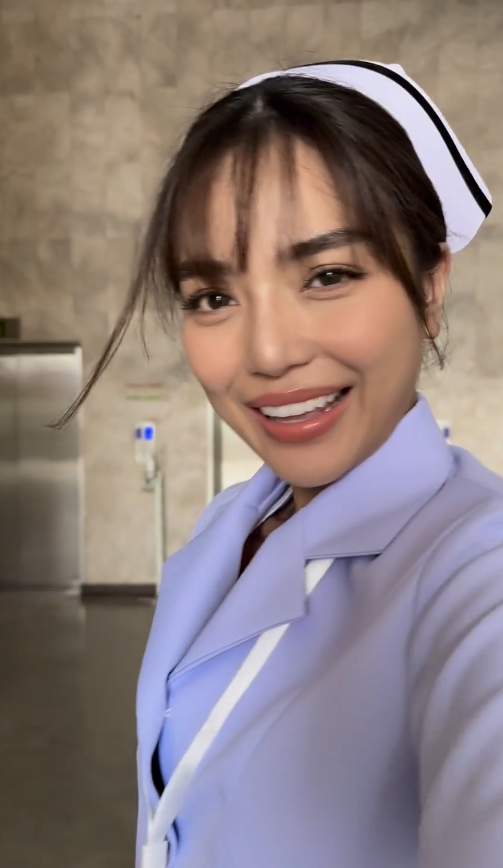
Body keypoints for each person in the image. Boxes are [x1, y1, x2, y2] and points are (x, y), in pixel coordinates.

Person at [65, 61, 503, 867]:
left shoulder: (477, 572)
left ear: (430, 287)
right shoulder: (231, 522)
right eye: (213, 297)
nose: (267, 353)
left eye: (328, 275)